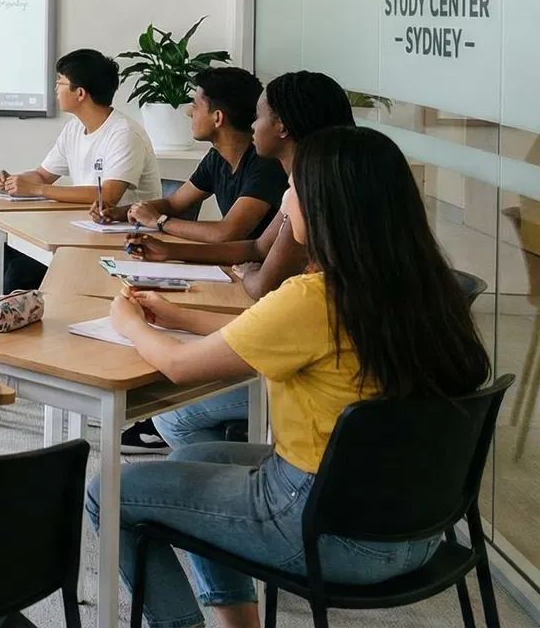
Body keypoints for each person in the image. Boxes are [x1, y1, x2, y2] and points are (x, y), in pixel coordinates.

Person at [87, 126, 489, 628]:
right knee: (195, 456)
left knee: (109, 491)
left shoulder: (314, 297)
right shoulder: (425, 290)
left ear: (325, 206)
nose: (284, 201)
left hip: (327, 529)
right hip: (420, 525)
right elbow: (271, 332)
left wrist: (129, 324)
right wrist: (178, 316)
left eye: (293, 188)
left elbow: (180, 367)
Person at [126, 69, 354, 450]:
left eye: (259, 117)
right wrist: (176, 296)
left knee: (171, 415)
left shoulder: (311, 289)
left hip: (309, 419)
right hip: (321, 375)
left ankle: (249, 446)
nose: (252, 125)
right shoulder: (337, 199)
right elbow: (258, 251)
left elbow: (257, 278)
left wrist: (130, 323)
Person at [0, 48, 162, 293]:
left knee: (17, 273)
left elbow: (108, 196)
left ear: (80, 93)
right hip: (81, 230)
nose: (55, 89)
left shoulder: (124, 134)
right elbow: (43, 175)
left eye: (60, 83)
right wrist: (12, 181)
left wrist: (37, 189)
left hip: (119, 239)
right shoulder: (74, 128)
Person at [99, 67, 286, 243]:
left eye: (195, 106)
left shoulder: (266, 164)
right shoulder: (217, 157)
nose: (189, 112)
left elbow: (227, 232)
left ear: (217, 118)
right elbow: (174, 204)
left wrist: (159, 221)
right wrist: (119, 212)